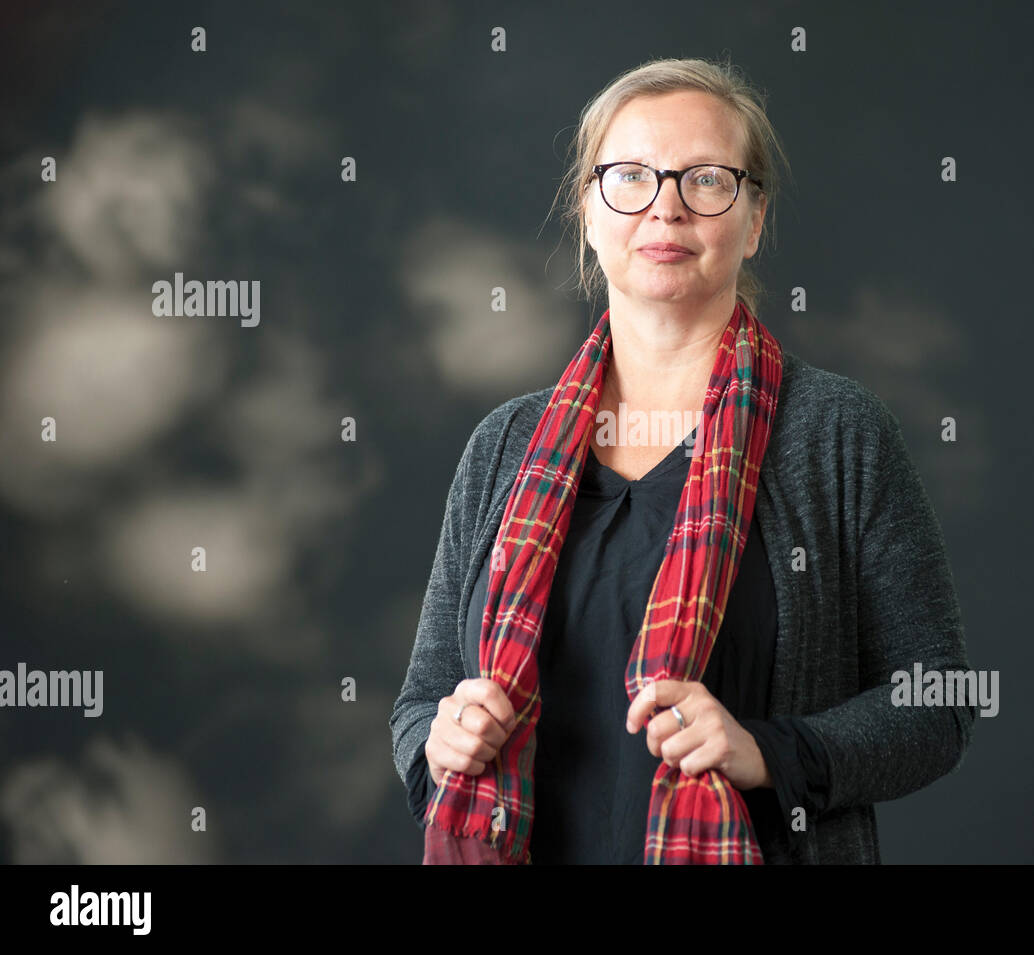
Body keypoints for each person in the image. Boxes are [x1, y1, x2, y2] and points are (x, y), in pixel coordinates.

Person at [389, 56, 975, 864]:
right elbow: (420, 704)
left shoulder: (838, 432)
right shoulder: (504, 445)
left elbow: (939, 703)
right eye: (629, 177)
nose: (664, 208)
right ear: (588, 210)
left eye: (705, 179)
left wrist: (768, 749)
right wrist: (439, 735)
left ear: (755, 218)